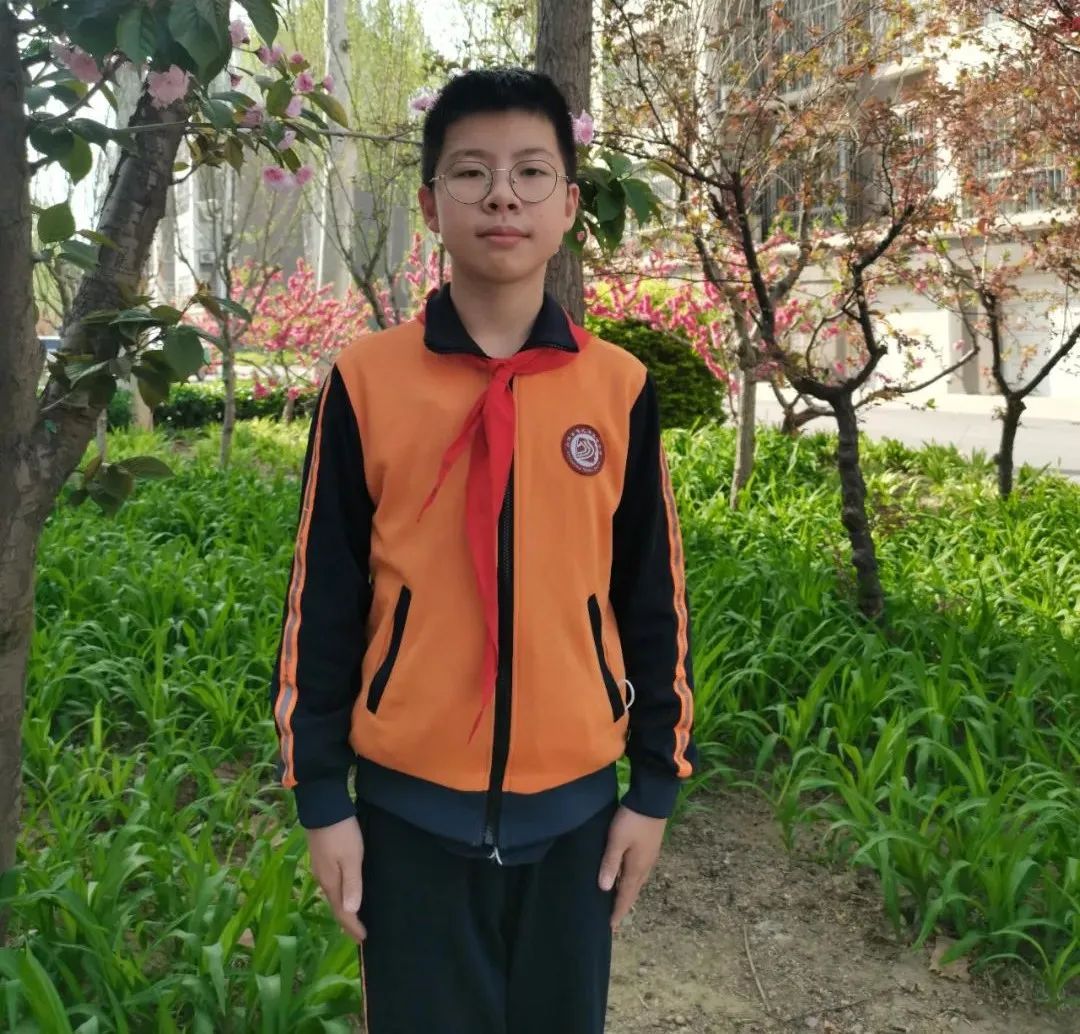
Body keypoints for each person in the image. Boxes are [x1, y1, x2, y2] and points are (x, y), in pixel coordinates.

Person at [269, 67, 696, 1034]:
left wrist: (654, 787)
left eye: (531, 172)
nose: (503, 195)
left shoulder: (618, 389)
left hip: (577, 819)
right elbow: (321, 600)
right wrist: (323, 797)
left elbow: (652, 598)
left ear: (569, 204)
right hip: (406, 817)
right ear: (431, 203)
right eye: (471, 172)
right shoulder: (366, 382)